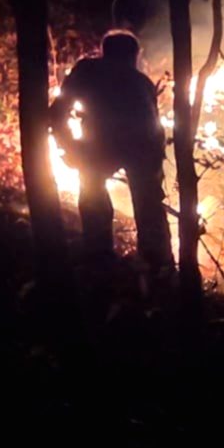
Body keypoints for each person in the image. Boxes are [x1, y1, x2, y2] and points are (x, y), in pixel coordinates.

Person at [49, 30, 172, 270]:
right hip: (138, 145)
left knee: (95, 191)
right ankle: (156, 262)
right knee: (148, 203)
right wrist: (68, 147)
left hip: (108, 143)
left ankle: (100, 255)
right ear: (134, 56)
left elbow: (57, 112)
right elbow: (155, 129)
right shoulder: (141, 82)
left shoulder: (88, 71)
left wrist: (68, 147)